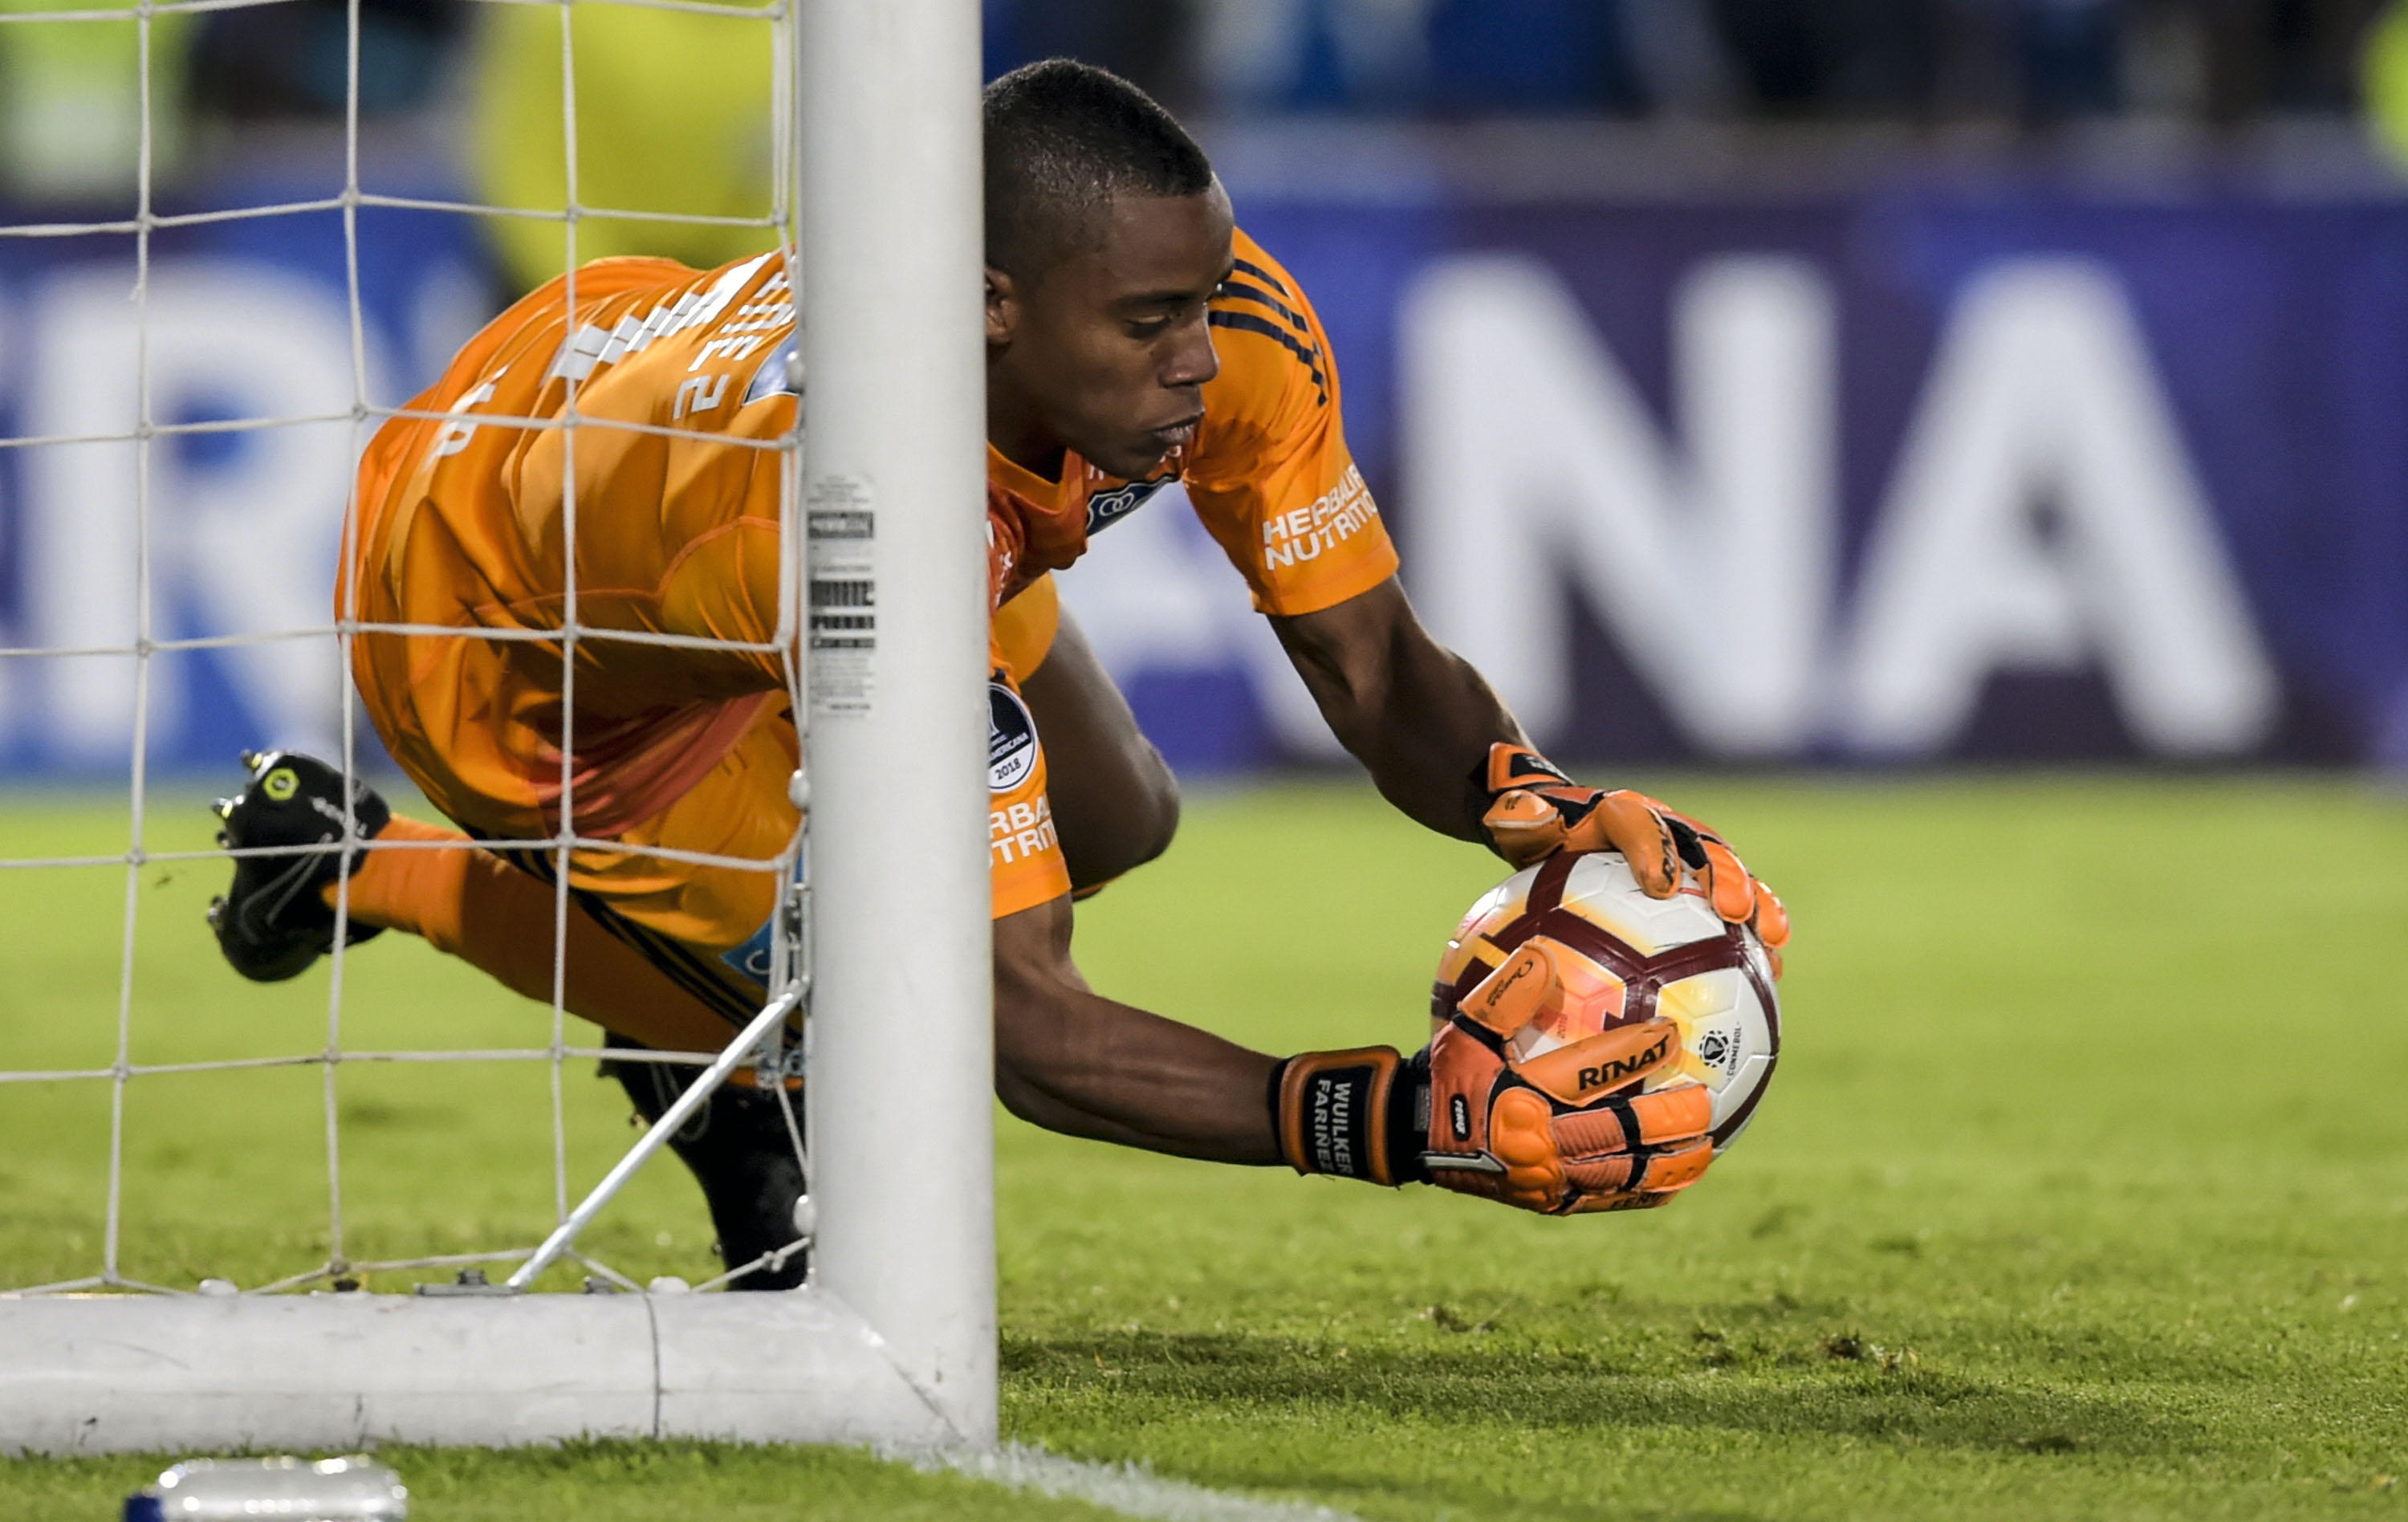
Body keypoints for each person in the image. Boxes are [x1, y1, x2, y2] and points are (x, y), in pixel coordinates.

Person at [206, 59, 1788, 1288]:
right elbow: (1019, 1034)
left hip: (628, 389)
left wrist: (1542, 804)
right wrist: (1398, 1123)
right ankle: (362, 868)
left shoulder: (1220, 340)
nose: (1195, 360)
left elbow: (1367, 663)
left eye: (1202, 298)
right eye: (1150, 321)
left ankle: (708, 995)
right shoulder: (866, 531)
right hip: (505, 632)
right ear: (988, 307)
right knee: (879, 998)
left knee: (1119, 813)